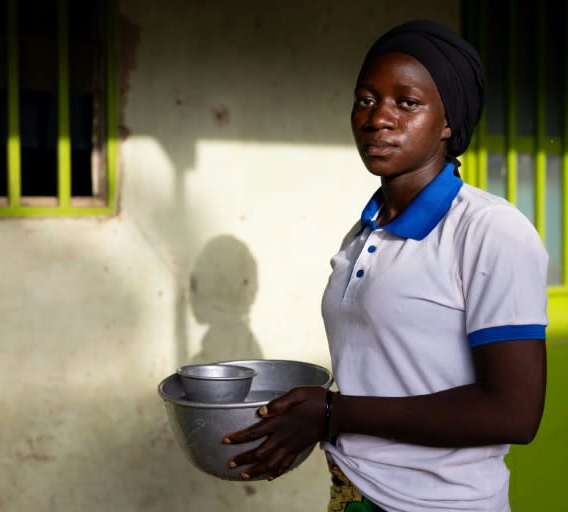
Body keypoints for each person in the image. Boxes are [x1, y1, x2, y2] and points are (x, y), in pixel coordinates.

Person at [222, 19, 548, 512]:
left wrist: (332, 413)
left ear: (447, 122)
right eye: (366, 99)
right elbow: (387, 374)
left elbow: (513, 412)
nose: (378, 118)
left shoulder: (488, 231)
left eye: (407, 102)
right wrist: (305, 416)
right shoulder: (365, 232)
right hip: (355, 495)